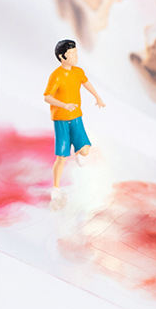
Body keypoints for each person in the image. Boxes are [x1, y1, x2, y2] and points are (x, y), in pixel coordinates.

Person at [44, 39, 105, 206]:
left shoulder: (78, 72)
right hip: (61, 120)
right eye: (72, 54)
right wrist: (64, 105)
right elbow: (47, 97)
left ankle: (78, 152)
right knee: (62, 157)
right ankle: (56, 188)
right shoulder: (56, 75)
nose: (76, 56)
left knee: (85, 150)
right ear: (62, 57)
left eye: (76, 53)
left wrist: (97, 97)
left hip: (76, 117)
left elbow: (86, 83)